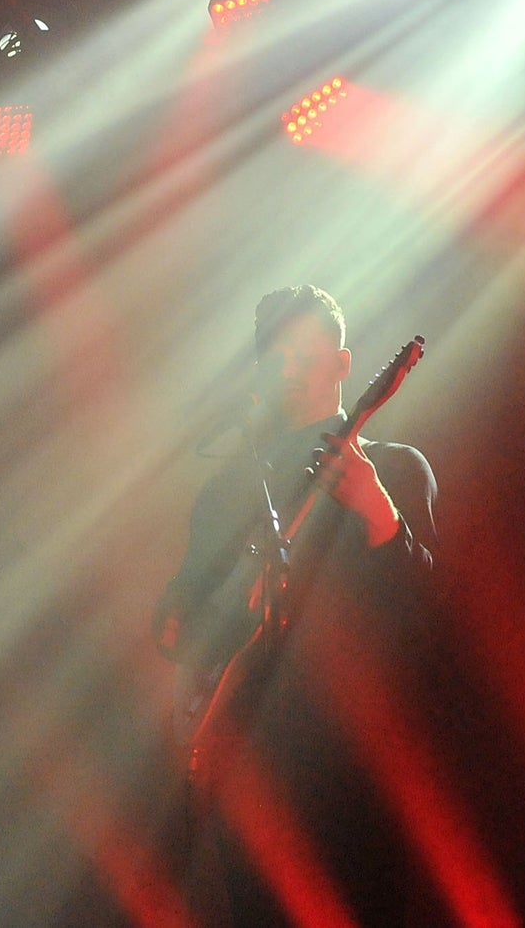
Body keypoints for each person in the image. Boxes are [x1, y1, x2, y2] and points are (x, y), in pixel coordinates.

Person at [154, 286, 437, 928]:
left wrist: (376, 511)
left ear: (343, 365)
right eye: (274, 355)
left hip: (358, 768)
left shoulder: (394, 467)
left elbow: (429, 611)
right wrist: (174, 624)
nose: (286, 368)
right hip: (251, 766)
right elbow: (190, 615)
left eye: (303, 353)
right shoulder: (227, 489)